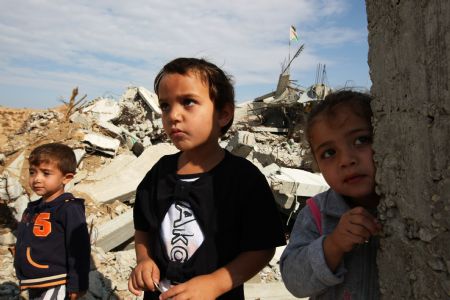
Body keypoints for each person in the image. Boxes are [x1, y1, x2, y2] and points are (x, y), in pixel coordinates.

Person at [128, 57, 286, 300]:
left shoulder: (244, 179)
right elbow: (143, 228)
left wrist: (215, 283)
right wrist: (144, 259)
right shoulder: (159, 173)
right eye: (165, 106)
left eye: (188, 102)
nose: (174, 115)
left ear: (223, 114)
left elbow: (262, 248)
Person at [280, 90, 382, 299]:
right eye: (329, 153)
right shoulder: (317, 213)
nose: (346, 160)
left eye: (361, 140)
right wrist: (332, 245)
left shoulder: (410, 208)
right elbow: (293, 280)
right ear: (317, 164)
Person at [14, 143, 90, 300]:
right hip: (35, 282)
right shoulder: (32, 209)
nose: (37, 179)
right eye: (32, 172)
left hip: (56, 281)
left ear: (66, 178)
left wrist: (78, 283)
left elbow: (79, 248)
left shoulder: (68, 209)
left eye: (46, 173)